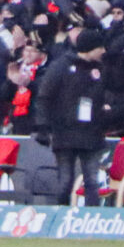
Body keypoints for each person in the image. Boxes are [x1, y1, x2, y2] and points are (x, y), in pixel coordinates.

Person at [35, 29, 110, 207]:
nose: (103, 51)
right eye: (100, 47)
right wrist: (43, 127)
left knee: (92, 181)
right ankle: (60, 213)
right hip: (65, 132)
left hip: (92, 133)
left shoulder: (101, 68)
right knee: (65, 181)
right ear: (90, 48)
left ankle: (91, 217)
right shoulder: (61, 66)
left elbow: (108, 93)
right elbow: (44, 97)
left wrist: (107, 110)